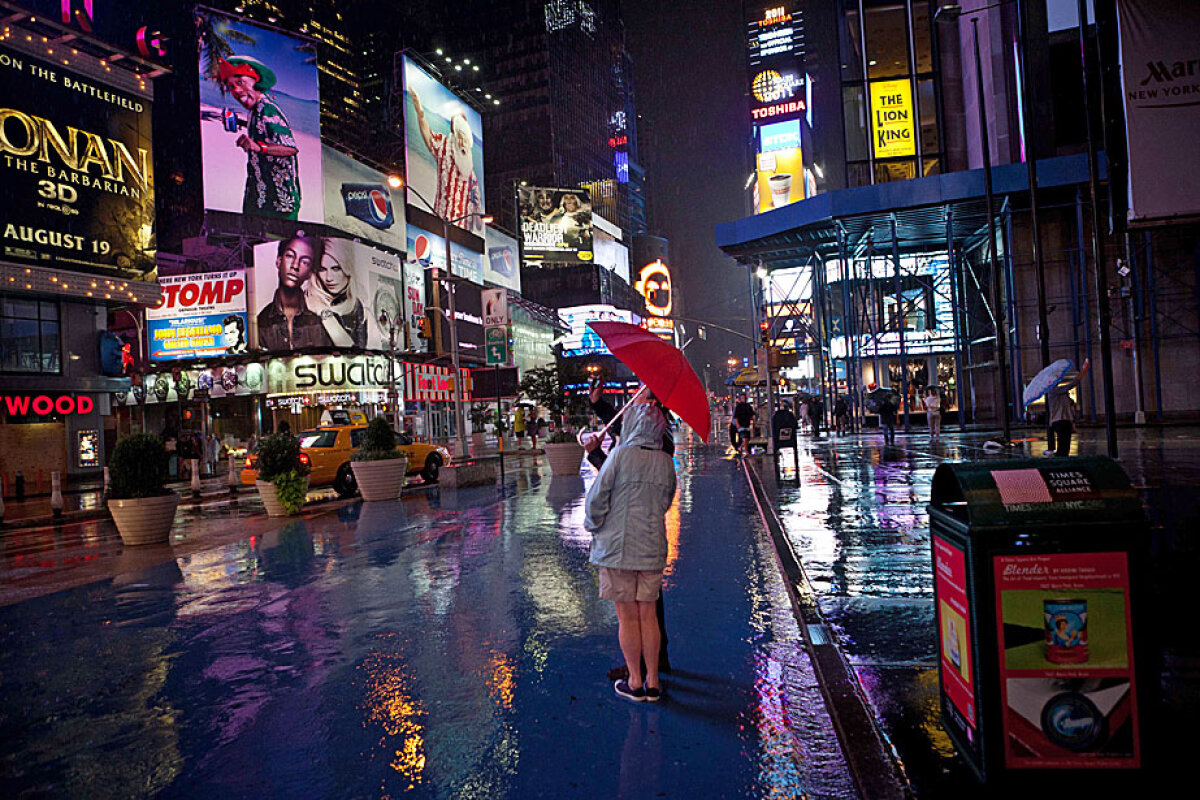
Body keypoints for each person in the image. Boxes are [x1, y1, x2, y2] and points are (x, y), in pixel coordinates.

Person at [584, 398, 677, 703]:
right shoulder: (665, 460)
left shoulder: (621, 455)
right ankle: (653, 682)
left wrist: (593, 525)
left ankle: (634, 681)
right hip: (652, 547)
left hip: (617, 549)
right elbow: (665, 503)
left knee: (627, 616)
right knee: (648, 615)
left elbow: (597, 499)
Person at [218, 56, 301, 220]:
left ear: (255, 81)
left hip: (278, 203)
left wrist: (258, 147)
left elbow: (291, 148)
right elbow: (265, 130)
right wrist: (240, 122)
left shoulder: (267, 110)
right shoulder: (257, 111)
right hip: (260, 197)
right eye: (230, 87)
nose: (235, 90)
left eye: (240, 83)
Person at [409, 87, 484, 234]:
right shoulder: (444, 148)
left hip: (461, 231)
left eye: (465, 138)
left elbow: (477, 198)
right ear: (455, 135)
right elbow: (428, 136)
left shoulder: (469, 168)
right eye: (460, 137)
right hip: (439, 222)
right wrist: (420, 114)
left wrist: (478, 217)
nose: (462, 142)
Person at [256, 236, 332, 351]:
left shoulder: (318, 323)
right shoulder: (261, 322)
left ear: (310, 273)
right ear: (279, 261)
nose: (295, 266)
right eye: (290, 256)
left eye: (305, 262)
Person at [307, 238, 367, 348]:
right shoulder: (307, 303)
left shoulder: (357, 306)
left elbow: (355, 350)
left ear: (347, 268)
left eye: (336, 269)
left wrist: (325, 314)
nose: (329, 278)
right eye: (322, 269)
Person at [1046, 358, 1091, 457]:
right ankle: (1060, 461)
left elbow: (1070, 403)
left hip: (1064, 420)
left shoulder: (1059, 392)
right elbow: (1073, 384)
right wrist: (1083, 371)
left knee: (1065, 445)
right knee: (1063, 445)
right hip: (1059, 420)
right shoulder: (1053, 391)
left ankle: (1062, 459)